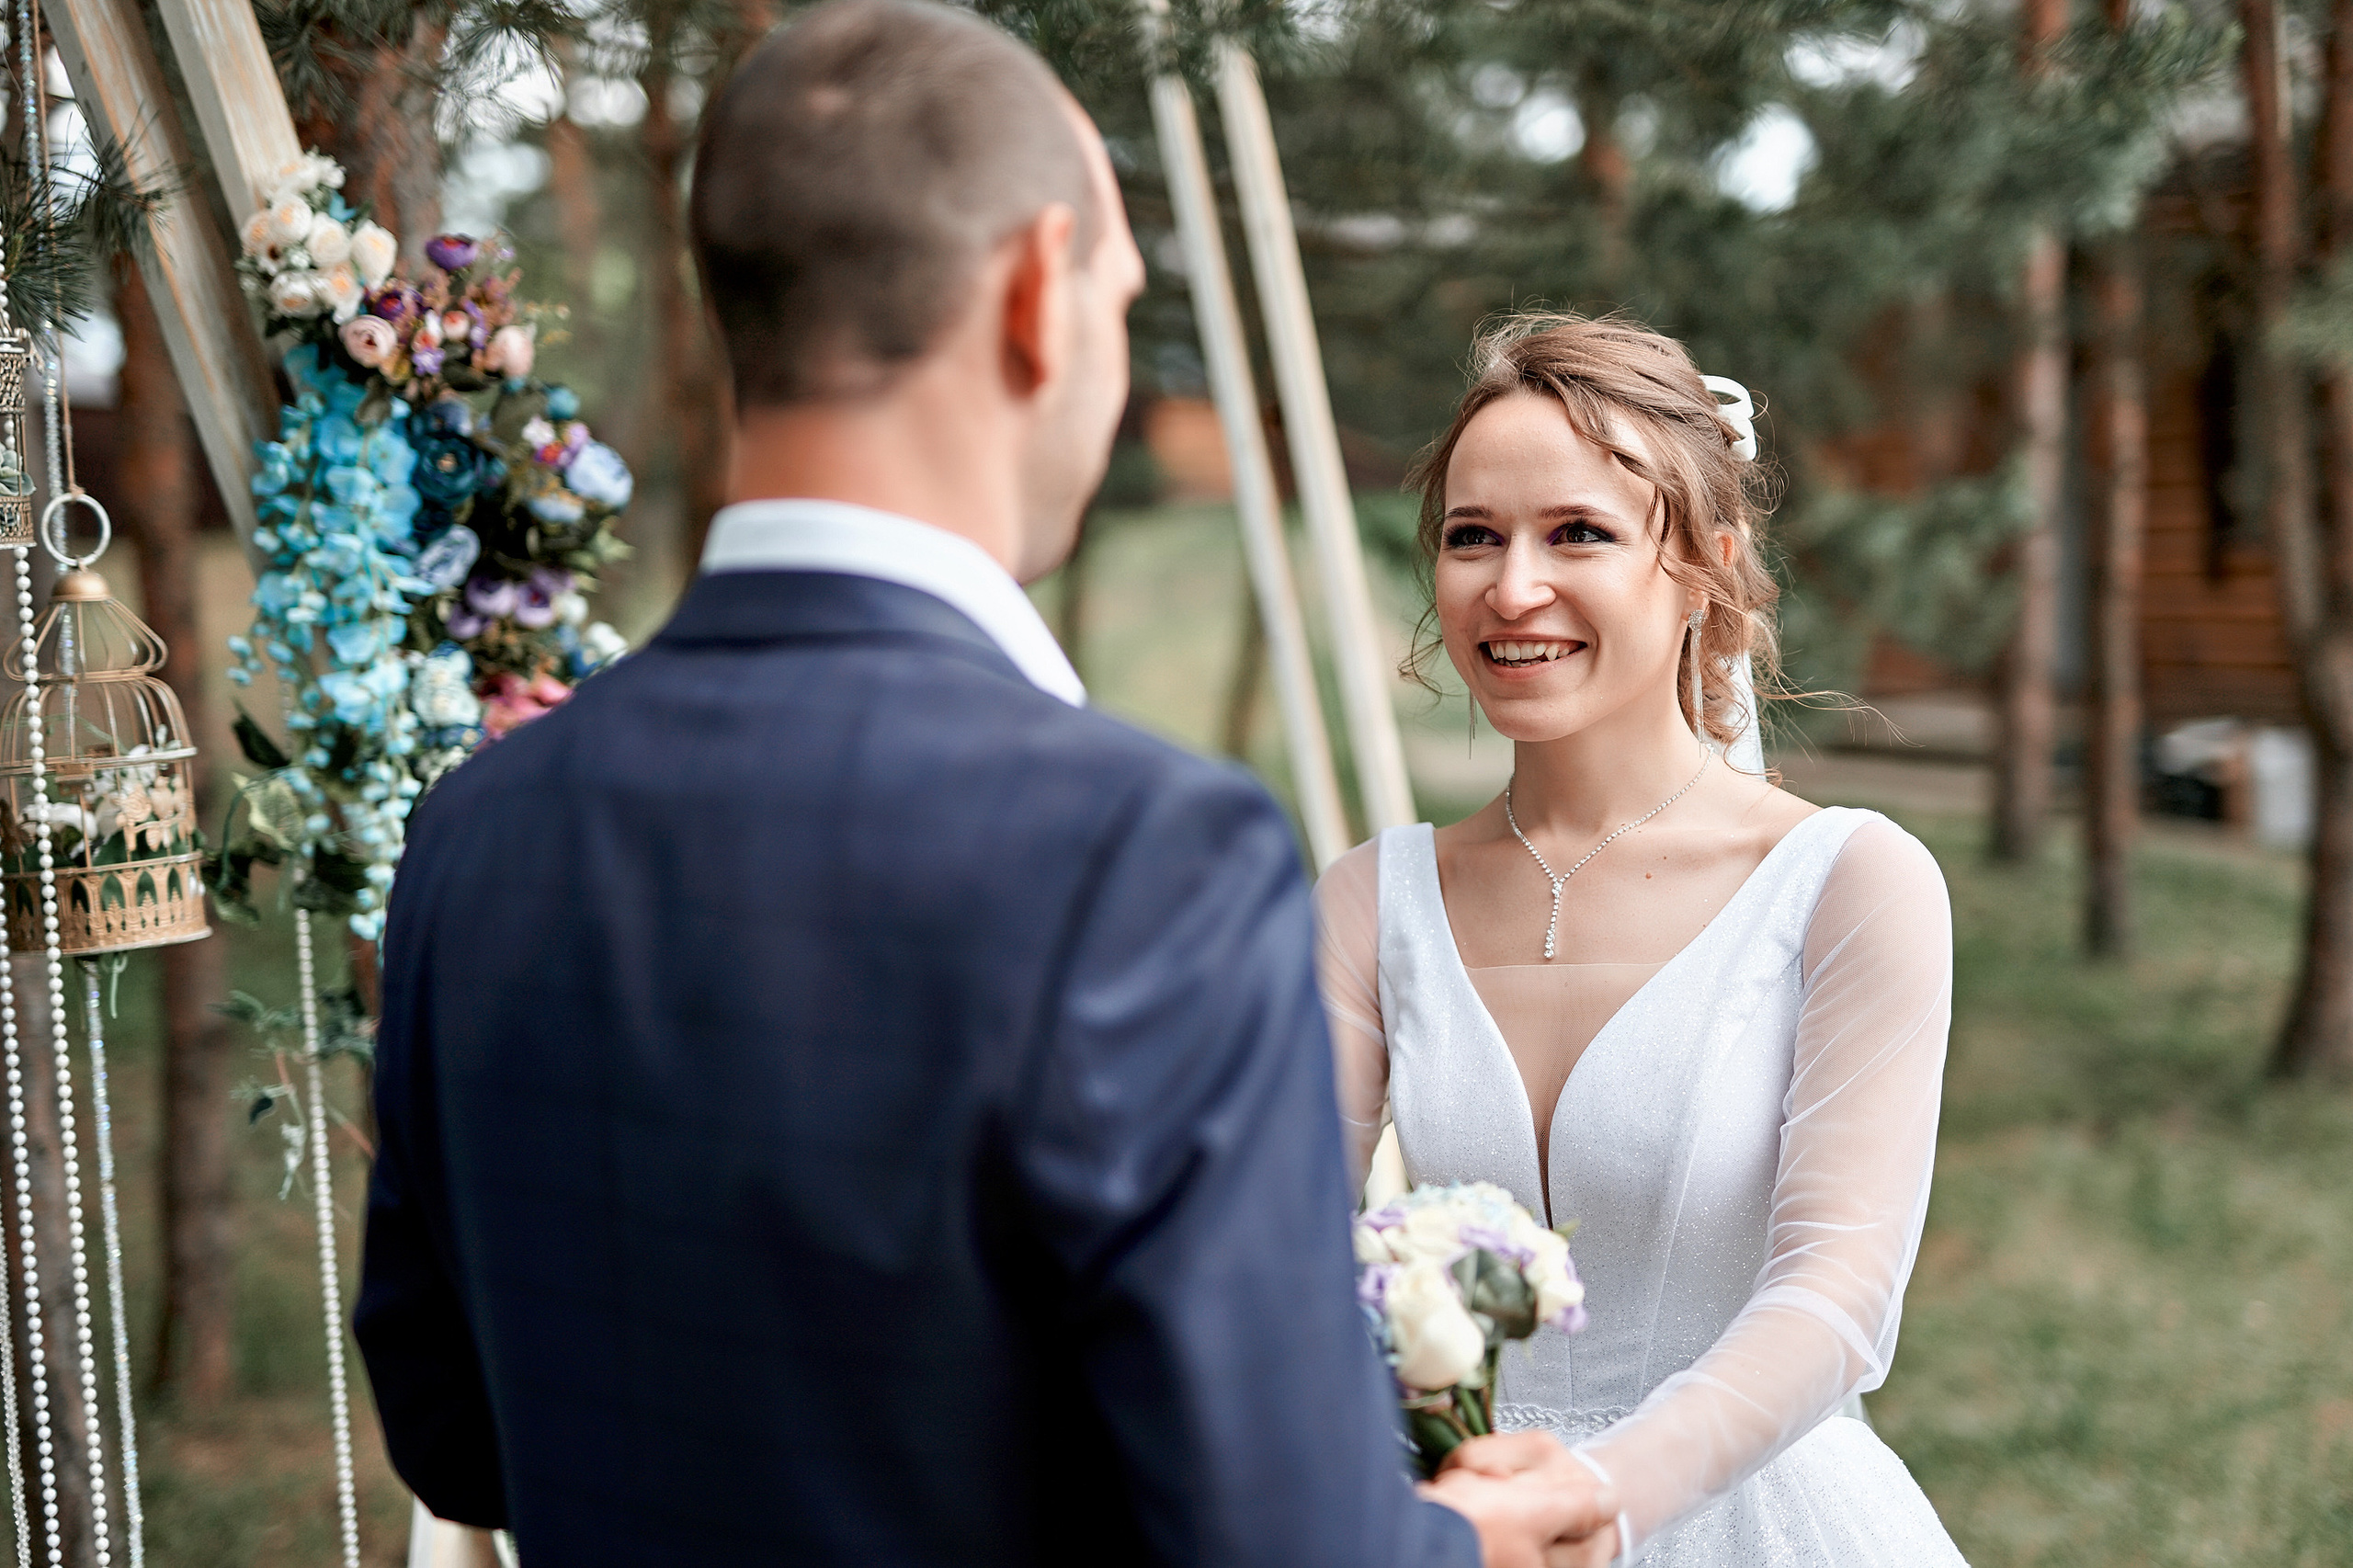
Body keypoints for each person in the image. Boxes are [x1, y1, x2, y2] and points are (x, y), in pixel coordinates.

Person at [354, 4, 1617, 1563]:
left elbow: (457, 1436)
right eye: (1121, 295)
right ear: (1037, 292)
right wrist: (1479, 1542)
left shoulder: (482, 826)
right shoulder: (1143, 855)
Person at [1314, 313, 1970, 1564]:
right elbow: (1272, 1247)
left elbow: (1837, 1300)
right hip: (1466, 1521)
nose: (1512, 587)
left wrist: (1599, 1494)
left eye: (1579, 533)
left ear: (1704, 566)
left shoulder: (1851, 886)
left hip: (1764, 1519)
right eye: (1471, 537)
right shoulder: (1367, 900)